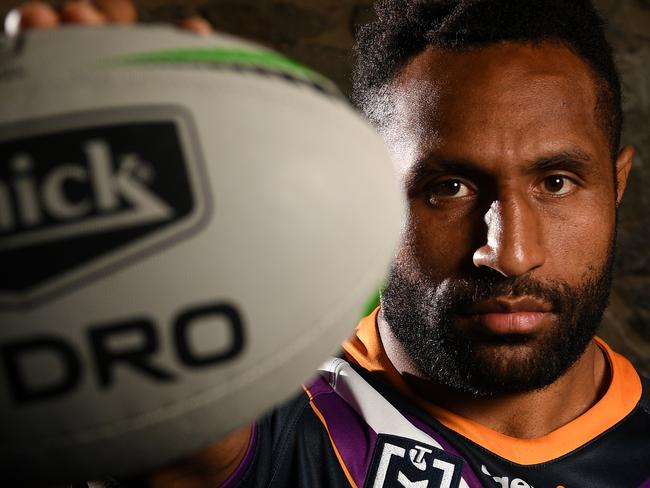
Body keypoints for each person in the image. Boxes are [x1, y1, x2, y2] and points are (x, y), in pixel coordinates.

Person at [14, 0, 650, 487]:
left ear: (616, 185)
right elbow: (172, 427)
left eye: (557, 182)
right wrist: (99, 243)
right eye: (448, 187)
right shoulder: (281, 415)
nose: (508, 252)